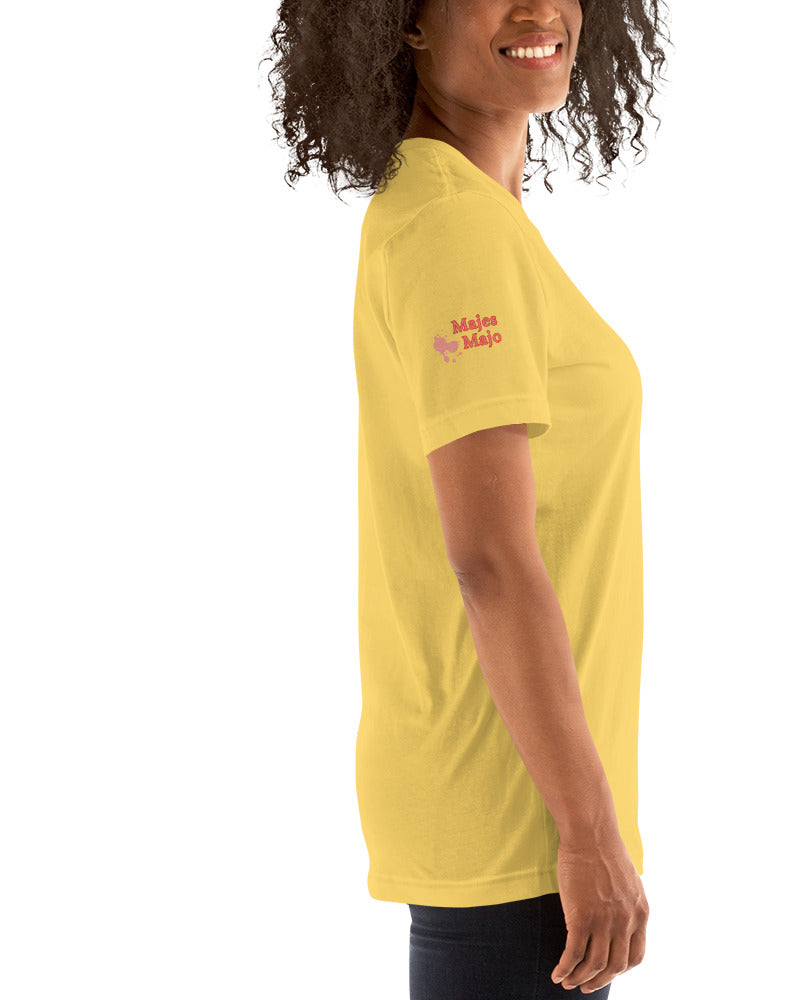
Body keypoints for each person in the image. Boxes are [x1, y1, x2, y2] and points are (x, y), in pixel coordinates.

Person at [263, 2, 672, 996]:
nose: (539, 9)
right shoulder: (452, 227)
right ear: (404, 21)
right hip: (515, 814)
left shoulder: (458, 211)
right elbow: (488, 558)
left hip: (508, 802)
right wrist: (586, 830)